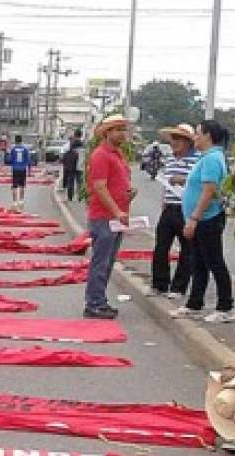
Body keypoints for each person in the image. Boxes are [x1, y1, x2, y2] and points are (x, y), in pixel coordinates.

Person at [172, 120, 234, 323]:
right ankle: (194, 303)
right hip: (200, 220)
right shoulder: (206, 158)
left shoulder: (212, 159)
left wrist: (194, 217)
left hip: (207, 219)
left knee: (215, 262)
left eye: (198, 134)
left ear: (208, 136)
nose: (195, 138)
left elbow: (209, 190)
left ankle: (226, 306)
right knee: (198, 263)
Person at [82, 114, 134, 320]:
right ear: (107, 132)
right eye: (118, 129)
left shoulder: (118, 154)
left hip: (115, 217)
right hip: (104, 217)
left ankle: (100, 300)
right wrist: (117, 211)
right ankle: (94, 303)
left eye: (124, 129)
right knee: (100, 262)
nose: (122, 133)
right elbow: (99, 187)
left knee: (108, 262)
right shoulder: (101, 155)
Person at [150, 123, 199, 297]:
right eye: (173, 139)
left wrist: (183, 180)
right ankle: (159, 284)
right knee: (161, 247)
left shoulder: (197, 160)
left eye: (178, 139)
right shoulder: (170, 159)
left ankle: (179, 287)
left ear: (188, 142)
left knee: (187, 249)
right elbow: (165, 181)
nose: (174, 143)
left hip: (186, 208)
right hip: (169, 207)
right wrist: (163, 201)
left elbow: (201, 183)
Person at [6, 134, 33, 210]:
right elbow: (28, 160)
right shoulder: (25, 149)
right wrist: (29, 170)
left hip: (15, 168)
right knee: (22, 185)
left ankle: (14, 202)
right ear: (21, 140)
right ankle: (21, 201)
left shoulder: (13, 149)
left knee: (14, 186)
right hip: (23, 169)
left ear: (15, 140)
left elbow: (9, 159)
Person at [61, 132, 82, 200]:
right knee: (79, 182)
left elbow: (64, 157)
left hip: (71, 167)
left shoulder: (70, 146)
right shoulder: (82, 144)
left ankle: (70, 196)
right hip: (80, 166)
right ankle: (80, 196)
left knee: (71, 182)